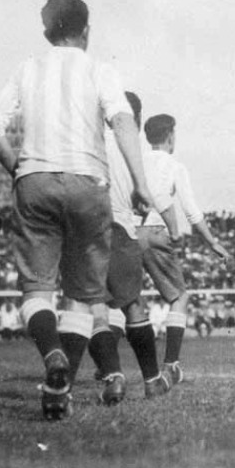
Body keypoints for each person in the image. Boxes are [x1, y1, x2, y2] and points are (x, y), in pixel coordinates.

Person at [0, 0, 154, 420]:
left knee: (37, 290)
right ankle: (60, 390)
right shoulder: (100, 69)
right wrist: (140, 183)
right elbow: (122, 121)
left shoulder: (28, 67)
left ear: (46, 32)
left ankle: (53, 356)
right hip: (88, 181)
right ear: (87, 30)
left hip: (35, 181)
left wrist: (17, 167)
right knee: (81, 295)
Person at [87, 92, 175, 403]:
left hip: (90, 228)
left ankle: (114, 376)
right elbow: (152, 196)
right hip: (123, 230)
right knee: (132, 304)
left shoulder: (91, 141)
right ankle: (152, 380)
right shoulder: (134, 149)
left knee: (95, 307)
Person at [138, 113, 231, 384]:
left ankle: (109, 371)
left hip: (124, 233)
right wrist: (213, 242)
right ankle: (171, 365)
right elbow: (191, 211)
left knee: (123, 301)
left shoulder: (136, 161)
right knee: (179, 297)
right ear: (170, 136)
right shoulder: (175, 166)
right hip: (155, 233)